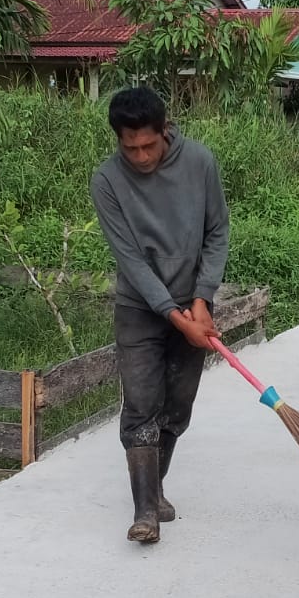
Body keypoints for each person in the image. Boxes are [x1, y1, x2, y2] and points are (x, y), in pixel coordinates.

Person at [90, 87, 230, 545]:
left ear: (164, 130)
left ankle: (156, 487)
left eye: (148, 145)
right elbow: (129, 258)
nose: (141, 155)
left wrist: (202, 300)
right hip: (139, 307)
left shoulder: (200, 163)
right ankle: (145, 511)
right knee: (140, 405)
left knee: (177, 407)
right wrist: (173, 315)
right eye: (130, 147)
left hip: (193, 304)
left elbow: (216, 231)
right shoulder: (107, 180)